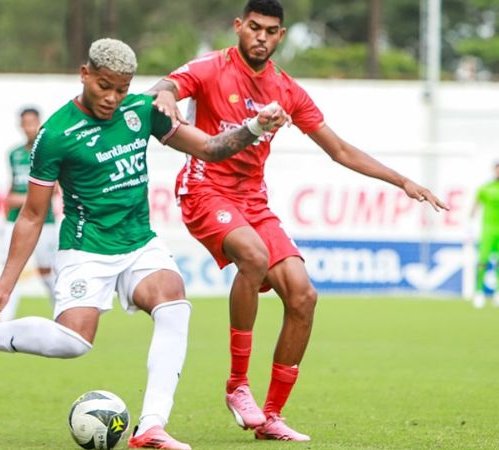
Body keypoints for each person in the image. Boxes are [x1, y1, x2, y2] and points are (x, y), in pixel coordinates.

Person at [0, 38, 290, 450]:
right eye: (103, 86)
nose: (112, 98)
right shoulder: (56, 134)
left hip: (138, 241)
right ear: (85, 74)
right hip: (86, 248)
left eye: (122, 88)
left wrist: (256, 126)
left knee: (174, 304)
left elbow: (208, 148)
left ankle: (151, 426)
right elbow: (31, 214)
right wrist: (3, 288)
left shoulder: (142, 111)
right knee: (73, 343)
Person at [147, 0, 449, 441]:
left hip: (253, 200)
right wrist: (166, 94)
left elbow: (340, 150)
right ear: (238, 27)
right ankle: (237, 386)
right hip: (205, 189)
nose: (261, 37)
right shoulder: (212, 68)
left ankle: (270, 416)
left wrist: (402, 180)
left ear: (281, 36)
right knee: (252, 255)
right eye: (254, 28)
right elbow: (169, 83)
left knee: (304, 296)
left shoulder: (286, 89)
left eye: (271, 30)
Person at [0, 107, 57, 321]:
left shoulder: (49, 151)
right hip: (14, 220)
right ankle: (5, 320)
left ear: (39, 123)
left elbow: (55, 189)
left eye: (33, 122)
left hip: (45, 221)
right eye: (26, 123)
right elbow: (11, 188)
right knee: (9, 269)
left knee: (47, 271)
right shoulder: (14, 154)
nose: (30, 127)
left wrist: (24, 199)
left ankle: (61, 315)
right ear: (21, 125)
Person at [471, 161, 499, 309]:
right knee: (483, 261)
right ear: (494, 171)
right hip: (488, 229)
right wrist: (469, 225)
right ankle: (479, 293)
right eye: (498, 170)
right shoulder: (485, 189)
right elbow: (475, 206)